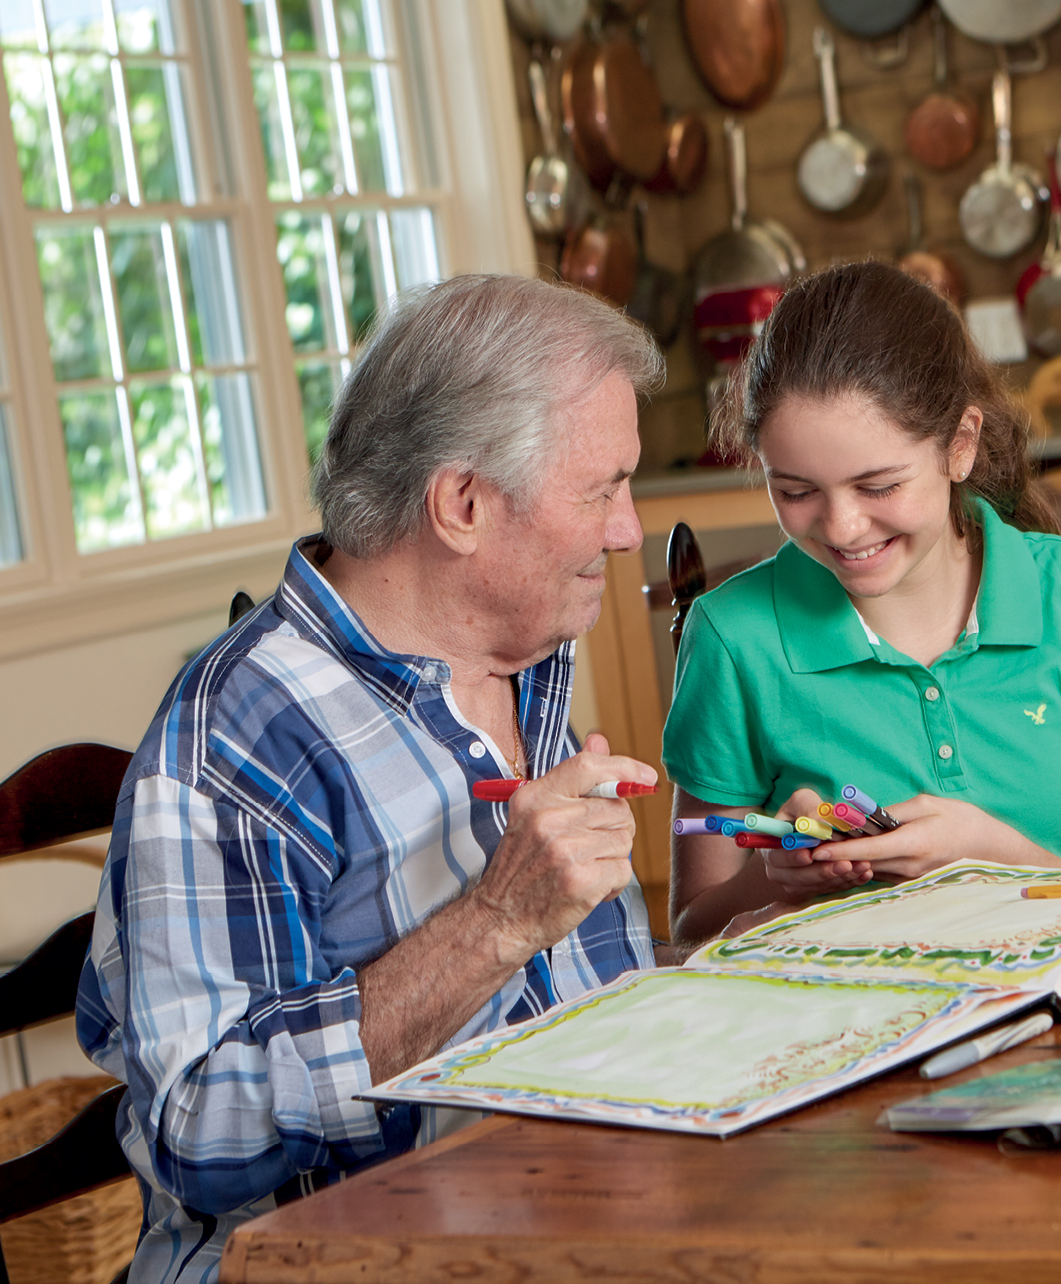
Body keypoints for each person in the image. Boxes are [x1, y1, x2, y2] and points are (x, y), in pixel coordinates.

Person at [76, 275, 663, 1283]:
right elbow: (198, 1125)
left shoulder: (522, 669)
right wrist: (493, 925)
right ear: (463, 503)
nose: (628, 528)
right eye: (601, 488)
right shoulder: (235, 736)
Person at [664, 261, 1061, 946]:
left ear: (958, 446)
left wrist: (983, 852)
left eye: (877, 486)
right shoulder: (732, 638)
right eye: (794, 491)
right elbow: (692, 931)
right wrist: (776, 876)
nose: (842, 527)